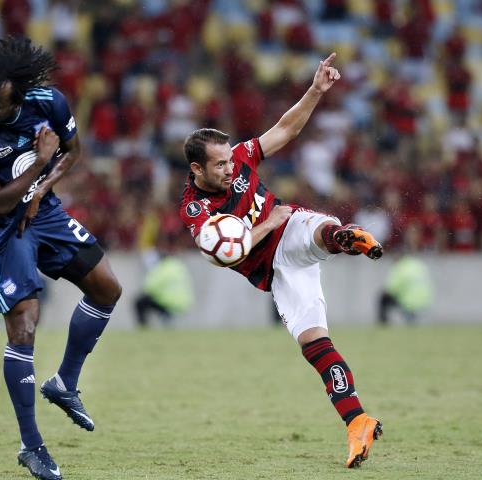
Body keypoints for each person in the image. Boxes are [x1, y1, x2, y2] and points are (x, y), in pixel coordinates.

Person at [179, 53, 383, 469]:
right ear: (197, 168)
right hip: (274, 270)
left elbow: (285, 129)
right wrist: (266, 222)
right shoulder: (196, 210)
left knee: (314, 231)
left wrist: (315, 90)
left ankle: (343, 237)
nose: (230, 166)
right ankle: (357, 420)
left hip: (289, 232)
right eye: (219, 164)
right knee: (315, 345)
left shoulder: (239, 159)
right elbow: (224, 255)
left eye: (230, 158)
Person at [0, 36, 122, 480]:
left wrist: (45, 186)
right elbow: (0, 202)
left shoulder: (50, 103)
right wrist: (38, 163)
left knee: (107, 288)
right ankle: (33, 446)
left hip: (44, 212)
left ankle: (65, 382)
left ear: (18, 100)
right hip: (5, 233)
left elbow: (74, 151)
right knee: (25, 325)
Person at [378, 225, 434, 325]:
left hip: (410, 303)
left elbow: (391, 289)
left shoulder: (400, 267)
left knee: (383, 298)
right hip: (426, 300)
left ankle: (384, 324)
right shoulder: (417, 264)